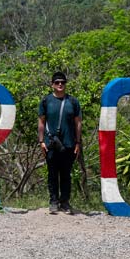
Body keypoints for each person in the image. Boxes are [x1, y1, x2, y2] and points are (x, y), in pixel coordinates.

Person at [38, 71, 82, 214]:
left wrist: (78, 142)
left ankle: (65, 202)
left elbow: (78, 123)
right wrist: (41, 141)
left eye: (62, 82)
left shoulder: (73, 102)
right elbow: (41, 122)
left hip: (69, 144)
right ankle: (53, 202)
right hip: (50, 144)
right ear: (52, 84)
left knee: (66, 175)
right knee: (52, 174)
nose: (60, 84)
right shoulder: (46, 101)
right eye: (57, 82)